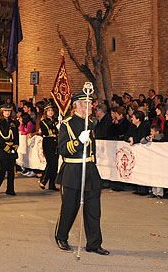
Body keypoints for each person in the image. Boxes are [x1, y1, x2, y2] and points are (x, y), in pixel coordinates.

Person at [55, 92, 108, 255]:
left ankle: (94, 243)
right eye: (88, 103)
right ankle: (61, 237)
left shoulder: (90, 123)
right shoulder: (67, 124)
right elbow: (63, 150)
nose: (91, 106)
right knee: (69, 208)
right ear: (78, 105)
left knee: (93, 208)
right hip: (73, 171)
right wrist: (79, 141)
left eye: (91, 103)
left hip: (90, 169)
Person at [0, 104, 19, 195]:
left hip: (12, 148)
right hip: (2, 149)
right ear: (2, 112)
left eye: (9, 111)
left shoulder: (13, 122)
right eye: (6, 111)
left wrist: (15, 146)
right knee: (2, 169)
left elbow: (16, 136)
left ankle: (10, 189)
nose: (7, 113)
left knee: (11, 171)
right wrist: (5, 147)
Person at [38, 102, 59, 191]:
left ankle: (52, 184)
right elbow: (47, 131)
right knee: (51, 163)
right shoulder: (43, 122)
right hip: (48, 143)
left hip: (55, 143)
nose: (50, 112)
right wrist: (55, 126)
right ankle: (43, 180)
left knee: (55, 165)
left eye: (52, 110)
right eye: (48, 111)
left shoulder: (56, 120)